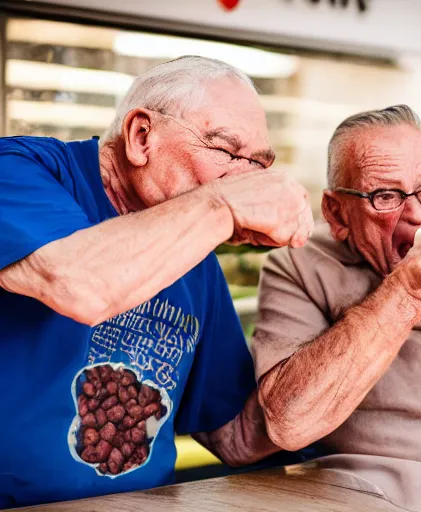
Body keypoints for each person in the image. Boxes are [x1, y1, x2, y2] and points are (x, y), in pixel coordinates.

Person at [0, 56, 314, 508]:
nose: (245, 180)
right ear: (141, 136)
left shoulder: (197, 253)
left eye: (258, 165)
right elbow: (82, 284)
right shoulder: (17, 168)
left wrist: (394, 302)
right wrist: (222, 206)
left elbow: (238, 436)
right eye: (226, 151)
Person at [252, 105, 421, 512]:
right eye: (385, 196)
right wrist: (406, 295)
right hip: (351, 491)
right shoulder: (299, 264)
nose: (420, 214)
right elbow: (288, 422)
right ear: (337, 213)